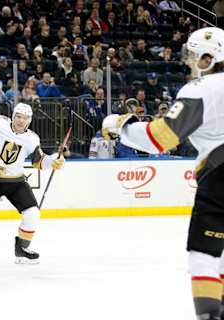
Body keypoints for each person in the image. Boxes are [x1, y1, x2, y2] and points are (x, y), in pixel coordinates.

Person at [102, 27, 224, 320]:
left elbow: (162, 137)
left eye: (194, 55)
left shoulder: (204, 89)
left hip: (220, 174)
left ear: (209, 57)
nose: (189, 62)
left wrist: (122, 127)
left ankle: (210, 315)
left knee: (205, 252)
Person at [0, 103, 65, 264]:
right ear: (12, 116)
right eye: (18, 116)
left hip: (16, 181)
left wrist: (53, 162)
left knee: (33, 213)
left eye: (25, 118)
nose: (21, 121)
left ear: (30, 120)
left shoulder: (32, 138)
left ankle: (22, 249)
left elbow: (38, 161)